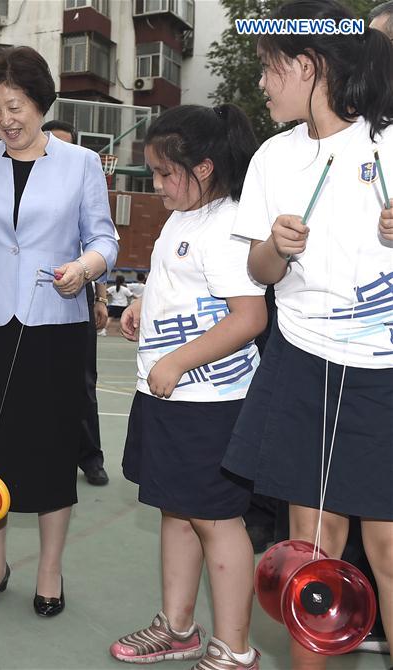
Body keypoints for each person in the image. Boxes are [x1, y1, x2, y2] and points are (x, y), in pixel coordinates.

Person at [221, 2, 393, 668]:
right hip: (301, 362)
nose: (262, 85)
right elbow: (257, 271)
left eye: (267, 69)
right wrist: (275, 246)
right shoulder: (272, 158)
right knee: (309, 541)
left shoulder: (386, 143)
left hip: (381, 367)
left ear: (304, 65)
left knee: (384, 543)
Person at [0, 46, 117, 616]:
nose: (6, 120)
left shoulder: (80, 164)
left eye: (15, 106)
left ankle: (51, 570)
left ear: (39, 102)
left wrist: (82, 271)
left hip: (54, 322)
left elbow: (103, 241)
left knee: (54, 446)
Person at [112, 104, 265, 670]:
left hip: (212, 403)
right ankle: (177, 627)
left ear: (203, 168)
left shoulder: (228, 225)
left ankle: (236, 647)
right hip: (170, 397)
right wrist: (142, 311)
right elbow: (177, 284)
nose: (156, 186)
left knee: (217, 521)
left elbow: (249, 318)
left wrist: (177, 362)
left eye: (163, 173)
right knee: (175, 509)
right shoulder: (183, 217)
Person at [42, 119, 109, 486]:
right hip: (35, 290)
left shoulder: (84, 176)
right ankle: (45, 452)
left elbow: (98, 242)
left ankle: (90, 456)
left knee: (82, 380)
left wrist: (99, 295)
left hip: (78, 288)